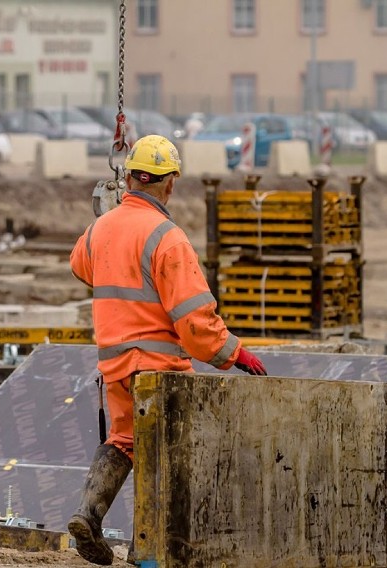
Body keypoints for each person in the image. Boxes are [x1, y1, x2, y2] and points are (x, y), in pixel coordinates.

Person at [67, 134, 267, 565]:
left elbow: (80, 264)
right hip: (158, 370)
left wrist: (107, 228)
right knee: (168, 452)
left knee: (123, 441)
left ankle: (88, 513)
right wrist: (235, 354)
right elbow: (195, 323)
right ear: (169, 182)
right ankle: (147, 548)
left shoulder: (102, 227)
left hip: (114, 363)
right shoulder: (168, 239)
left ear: (130, 179)